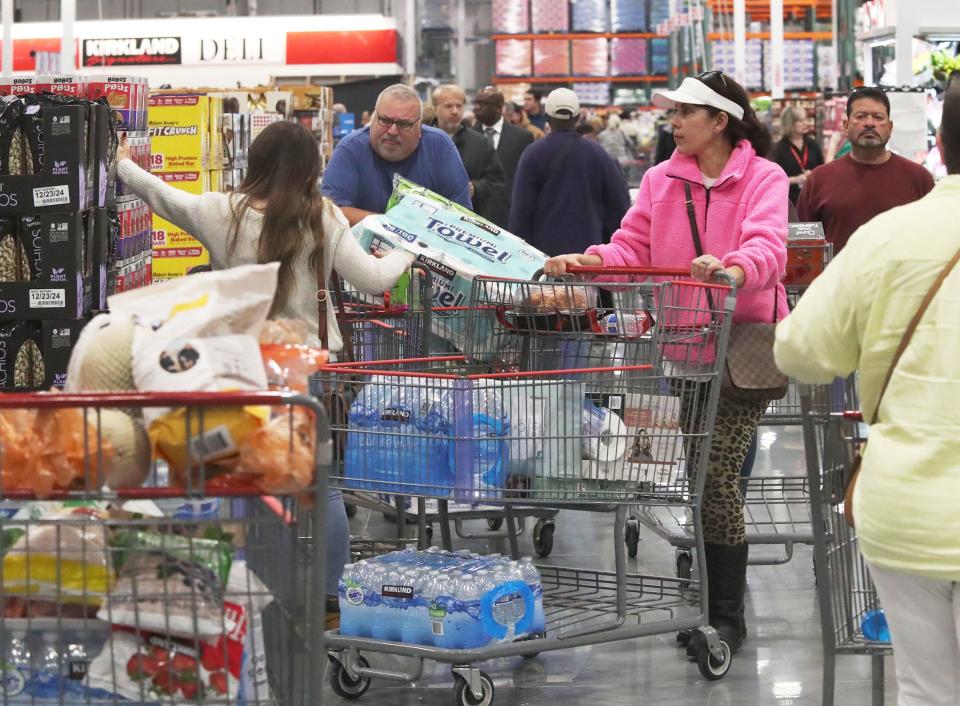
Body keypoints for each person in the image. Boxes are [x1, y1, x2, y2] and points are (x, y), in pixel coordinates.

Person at [115, 121, 415, 627]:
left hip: (239, 374)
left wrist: (122, 163)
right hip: (305, 375)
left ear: (255, 162)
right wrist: (406, 250)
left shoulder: (221, 213)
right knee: (326, 488)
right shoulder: (323, 217)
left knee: (247, 484)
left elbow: (162, 196)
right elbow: (374, 279)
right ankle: (329, 602)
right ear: (309, 168)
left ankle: (254, 598)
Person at [545, 71, 789, 655]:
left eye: (684, 113)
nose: (673, 122)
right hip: (684, 347)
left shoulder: (764, 176)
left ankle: (725, 617)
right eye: (672, 113)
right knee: (702, 477)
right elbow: (633, 245)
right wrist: (593, 260)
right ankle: (710, 604)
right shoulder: (660, 179)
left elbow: (768, 244)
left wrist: (733, 270)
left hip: (745, 347)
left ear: (720, 121)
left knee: (717, 478)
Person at [774, 83, 960, 706]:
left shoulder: (887, 238)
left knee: (927, 689)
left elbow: (800, 351)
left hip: (905, 509)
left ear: (939, 142)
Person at [797, 86, 934, 253]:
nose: (869, 123)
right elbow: (802, 249)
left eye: (878, 117)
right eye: (861, 116)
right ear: (846, 125)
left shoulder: (919, 179)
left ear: (890, 127)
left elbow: (932, 241)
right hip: (839, 279)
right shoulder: (819, 180)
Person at [321, 84, 471, 226]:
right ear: (373, 120)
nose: (392, 131)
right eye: (385, 120)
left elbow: (461, 215)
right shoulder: (351, 148)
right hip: (360, 251)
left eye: (404, 124)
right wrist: (395, 226)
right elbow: (332, 213)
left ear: (420, 128)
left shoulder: (440, 146)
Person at [509, 88, 631, 257]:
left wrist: (522, 256)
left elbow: (521, 213)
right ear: (577, 117)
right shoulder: (597, 153)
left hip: (545, 260)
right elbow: (619, 204)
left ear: (547, 117)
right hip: (588, 258)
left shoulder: (533, 153)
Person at [432, 84, 508, 227]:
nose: (455, 111)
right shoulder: (422, 139)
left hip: (467, 224)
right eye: (448, 106)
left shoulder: (479, 142)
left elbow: (497, 182)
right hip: (428, 219)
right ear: (436, 108)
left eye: (459, 106)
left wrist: (475, 188)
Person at [768, 106, 824, 205]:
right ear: (790, 123)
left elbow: (822, 168)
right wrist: (795, 180)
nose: (806, 123)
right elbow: (773, 180)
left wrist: (813, 175)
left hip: (813, 200)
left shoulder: (812, 144)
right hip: (789, 202)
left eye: (806, 119)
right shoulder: (778, 149)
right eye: (801, 121)